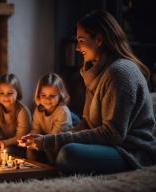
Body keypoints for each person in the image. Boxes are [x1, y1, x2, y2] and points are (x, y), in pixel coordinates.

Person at [19, 10, 156, 175]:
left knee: (68, 154)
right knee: (48, 146)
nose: (77, 47)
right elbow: (87, 123)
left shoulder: (119, 73)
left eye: (81, 40)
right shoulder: (96, 72)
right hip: (108, 145)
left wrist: (52, 140)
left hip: (129, 150)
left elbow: (113, 134)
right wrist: (48, 140)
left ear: (99, 40)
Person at [27, 73, 73, 162]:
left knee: (51, 149)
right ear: (38, 95)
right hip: (47, 138)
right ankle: (32, 169)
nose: (47, 99)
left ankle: (51, 170)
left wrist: (41, 140)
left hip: (60, 141)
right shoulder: (38, 110)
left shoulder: (62, 111)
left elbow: (54, 138)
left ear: (61, 95)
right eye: (43, 95)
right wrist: (30, 138)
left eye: (52, 96)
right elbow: (35, 129)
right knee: (30, 147)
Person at [0, 73, 31, 157]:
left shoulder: (22, 111)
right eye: (1, 93)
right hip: (5, 144)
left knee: (5, 153)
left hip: (22, 146)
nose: (5, 97)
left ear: (18, 93)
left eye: (10, 93)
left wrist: (4, 142)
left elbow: (21, 136)